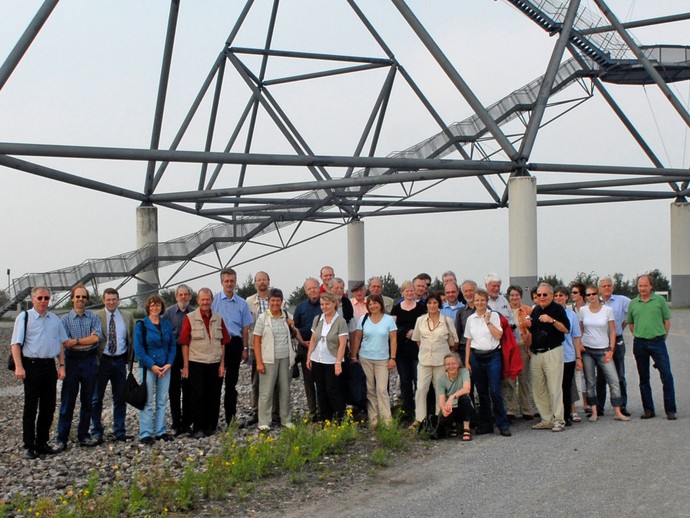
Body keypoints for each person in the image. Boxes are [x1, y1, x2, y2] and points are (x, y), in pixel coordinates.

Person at [10, 287, 68, 459]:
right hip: (31, 365)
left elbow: (60, 345)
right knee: (30, 407)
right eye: (40, 298)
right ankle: (28, 445)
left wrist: (62, 365)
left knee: (48, 407)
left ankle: (41, 442)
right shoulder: (25, 317)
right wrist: (19, 367)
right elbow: (15, 344)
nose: (43, 301)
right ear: (33, 299)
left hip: (49, 366)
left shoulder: (55, 320)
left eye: (46, 298)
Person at [57, 284, 104, 450]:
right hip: (72, 362)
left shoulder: (93, 318)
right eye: (78, 296)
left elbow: (97, 338)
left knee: (87, 400)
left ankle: (83, 435)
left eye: (83, 297)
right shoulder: (64, 320)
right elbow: (65, 343)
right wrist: (85, 341)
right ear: (72, 299)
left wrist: (76, 341)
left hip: (90, 361)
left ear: (87, 299)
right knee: (68, 400)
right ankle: (61, 437)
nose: (80, 299)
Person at [178, 288, 229, 438]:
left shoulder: (219, 318)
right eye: (203, 299)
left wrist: (222, 364)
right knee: (197, 395)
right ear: (198, 301)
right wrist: (186, 366)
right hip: (196, 362)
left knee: (213, 395)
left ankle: (210, 426)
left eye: (208, 299)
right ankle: (198, 427)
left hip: (214, 362)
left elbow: (223, 342)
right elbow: (185, 343)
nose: (205, 302)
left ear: (212, 301)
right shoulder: (190, 318)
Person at [627, 274, 676, 420]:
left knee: (666, 375)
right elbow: (631, 323)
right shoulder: (633, 303)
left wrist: (662, 337)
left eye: (645, 286)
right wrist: (638, 334)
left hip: (657, 342)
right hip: (640, 343)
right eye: (640, 286)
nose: (642, 288)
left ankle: (670, 410)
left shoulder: (659, 301)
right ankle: (648, 409)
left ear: (651, 286)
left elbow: (666, 321)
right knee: (643, 378)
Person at [578, 285, 630, 423]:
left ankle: (617, 411)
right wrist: (580, 344)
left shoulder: (608, 310)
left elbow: (613, 331)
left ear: (598, 294)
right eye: (588, 295)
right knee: (590, 382)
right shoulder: (583, 310)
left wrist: (611, 350)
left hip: (603, 350)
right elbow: (581, 330)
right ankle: (594, 411)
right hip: (588, 350)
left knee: (614, 380)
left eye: (593, 294)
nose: (591, 297)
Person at [464, 289, 510, 436]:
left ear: (486, 301)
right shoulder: (471, 319)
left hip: (492, 356)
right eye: (477, 300)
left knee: (495, 390)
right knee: (482, 392)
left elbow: (499, 335)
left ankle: (502, 423)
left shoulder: (494, 316)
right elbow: (468, 341)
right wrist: (467, 361)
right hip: (476, 357)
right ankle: (486, 424)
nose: (479, 303)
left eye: (482, 300)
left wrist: (487, 321)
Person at [91, 287, 135, 443]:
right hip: (102, 361)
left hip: (120, 361)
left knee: (120, 398)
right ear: (103, 300)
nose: (111, 302)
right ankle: (96, 431)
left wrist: (131, 360)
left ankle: (119, 431)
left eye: (114, 299)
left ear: (118, 300)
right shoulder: (96, 317)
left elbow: (131, 338)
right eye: (108, 299)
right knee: (96, 398)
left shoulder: (127, 316)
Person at [409, 293, 459, 429]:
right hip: (424, 360)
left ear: (439, 304)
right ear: (426, 305)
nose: (432, 306)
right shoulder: (420, 320)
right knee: (421, 389)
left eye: (435, 303)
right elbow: (417, 340)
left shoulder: (447, 321)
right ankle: (419, 419)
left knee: (440, 390)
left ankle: (438, 419)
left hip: (441, 361)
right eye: (429, 303)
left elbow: (454, 342)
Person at [212, 267, 254, 424]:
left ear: (236, 282)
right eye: (226, 281)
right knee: (216, 383)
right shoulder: (214, 300)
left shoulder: (242, 303)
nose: (229, 284)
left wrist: (245, 348)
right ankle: (212, 419)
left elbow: (245, 328)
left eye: (232, 281)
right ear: (221, 282)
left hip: (235, 344)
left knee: (231, 384)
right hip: (218, 344)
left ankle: (231, 419)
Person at [253, 288, 299, 431]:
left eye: (278, 300)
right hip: (268, 359)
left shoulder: (286, 315)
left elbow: (294, 332)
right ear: (269, 301)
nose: (275, 303)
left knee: (285, 389)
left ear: (281, 301)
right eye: (272, 300)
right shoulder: (262, 318)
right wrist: (259, 362)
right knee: (266, 391)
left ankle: (286, 419)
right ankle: (264, 421)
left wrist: (292, 324)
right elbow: (256, 341)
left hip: (285, 357)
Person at [133, 294, 176, 444]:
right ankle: (145, 432)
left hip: (165, 367)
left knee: (162, 400)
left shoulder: (166, 325)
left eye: (157, 305)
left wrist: (169, 363)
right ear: (148, 307)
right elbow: (138, 350)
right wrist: (152, 365)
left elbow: (172, 345)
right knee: (147, 400)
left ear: (161, 307)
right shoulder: (141, 325)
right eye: (152, 305)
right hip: (149, 368)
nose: (155, 307)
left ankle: (161, 431)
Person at [350, 294, 398, 429]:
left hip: (383, 359)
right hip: (365, 358)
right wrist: (354, 355)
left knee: (382, 389)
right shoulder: (363, 319)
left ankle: (387, 421)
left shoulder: (388, 320)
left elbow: (393, 340)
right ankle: (374, 420)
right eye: (370, 304)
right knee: (370, 390)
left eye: (375, 303)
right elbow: (357, 338)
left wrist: (392, 358)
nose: (373, 306)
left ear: (381, 304)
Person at [529, 283, 570, 433]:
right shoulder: (535, 311)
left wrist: (552, 320)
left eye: (545, 295)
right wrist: (528, 325)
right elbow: (533, 331)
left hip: (552, 351)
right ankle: (546, 419)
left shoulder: (558, 309)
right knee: (538, 388)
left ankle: (559, 420)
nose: (542, 297)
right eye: (539, 295)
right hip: (536, 353)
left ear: (551, 295)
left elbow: (566, 329)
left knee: (554, 387)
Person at [306, 292, 349, 421]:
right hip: (317, 358)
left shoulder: (340, 321)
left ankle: (340, 416)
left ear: (334, 304)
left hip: (332, 360)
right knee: (321, 389)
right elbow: (313, 339)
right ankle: (325, 417)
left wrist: (338, 363)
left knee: (333, 389)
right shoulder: (317, 319)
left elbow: (342, 344)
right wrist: (309, 357)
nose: (324, 307)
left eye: (327, 304)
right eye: (322, 304)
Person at [246, 271, 280, 427]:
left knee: (275, 380)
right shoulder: (249, 302)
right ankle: (256, 411)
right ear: (255, 283)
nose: (262, 283)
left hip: (275, 346)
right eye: (259, 280)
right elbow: (246, 326)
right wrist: (245, 347)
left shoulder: (278, 300)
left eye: (264, 280)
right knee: (256, 379)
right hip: (256, 345)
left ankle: (275, 412)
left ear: (269, 281)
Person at [390, 280, 427, 421]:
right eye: (407, 291)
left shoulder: (421, 308)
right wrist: (405, 331)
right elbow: (392, 329)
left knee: (418, 380)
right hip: (401, 350)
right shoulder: (396, 309)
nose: (410, 293)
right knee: (405, 381)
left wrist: (415, 333)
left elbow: (425, 325)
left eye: (412, 290)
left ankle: (420, 410)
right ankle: (407, 410)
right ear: (402, 293)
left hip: (417, 349)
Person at [597, 277, 631, 417]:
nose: (606, 288)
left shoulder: (622, 300)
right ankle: (599, 407)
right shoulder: (594, 301)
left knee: (619, 374)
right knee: (601, 376)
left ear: (613, 287)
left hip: (617, 340)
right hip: (600, 342)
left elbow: (632, 313)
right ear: (599, 288)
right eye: (603, 286)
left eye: (609, 285)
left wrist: (623, 326)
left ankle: (622, 405)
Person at [162, 284, 193, 435]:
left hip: (189, 354)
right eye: (180, 295)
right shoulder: (168, 313)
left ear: (190, 297)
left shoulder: (193, 312)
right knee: (173, 389)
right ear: (176, 297)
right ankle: (176, 422)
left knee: (188, 389)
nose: (183, 297)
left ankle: (187, 421)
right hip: (173, 354)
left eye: (186, 295)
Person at [502, 285, 534, 420]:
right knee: (509, 379)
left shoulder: (527, 310)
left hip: (522, 346)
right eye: (512, 295)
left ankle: (526, 409)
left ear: (520, 296)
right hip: (509, 347)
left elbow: (532, 330)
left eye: (517, 295)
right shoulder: (504, 311)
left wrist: (530, 347)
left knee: (524, 378)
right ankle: (511, 409)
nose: (514, 298)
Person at [293, 277, 322, 420]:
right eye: (309, 288)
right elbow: (295, 328)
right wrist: (301, 341)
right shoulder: (300, 307)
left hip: (323, 348)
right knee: (309, 381)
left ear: (319, 288)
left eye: (315, 287)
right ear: (306, 291)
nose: (313, 290)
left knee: (322, 380)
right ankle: (312, 411)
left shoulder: (325, 304)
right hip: (305, 347)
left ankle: (324, 410)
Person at [554, 286, 581, 426]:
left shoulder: (572, 315)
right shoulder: (550, 313)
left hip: (568, 355)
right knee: (554, 386)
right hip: (553, 355)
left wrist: (578, 357)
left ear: (566, 297)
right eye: (556, 295)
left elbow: (576, 337)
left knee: (566, 386)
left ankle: (567, 414)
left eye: (561, 295)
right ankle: (556, 414)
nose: (558, 297)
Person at [437, 353, 475, 441]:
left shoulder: (464, 372)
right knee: (443, 415)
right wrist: (443, 409)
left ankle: (466, 428)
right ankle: (453, 425)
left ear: (458, 364)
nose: (451, 366)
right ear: (445, 366)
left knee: (464, 398)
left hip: (462, 406)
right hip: (451, 408)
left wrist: (452, 397)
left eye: (453, 363)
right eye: (448, 364)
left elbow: (467, 389)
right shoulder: (441, 379)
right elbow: (441, 399)